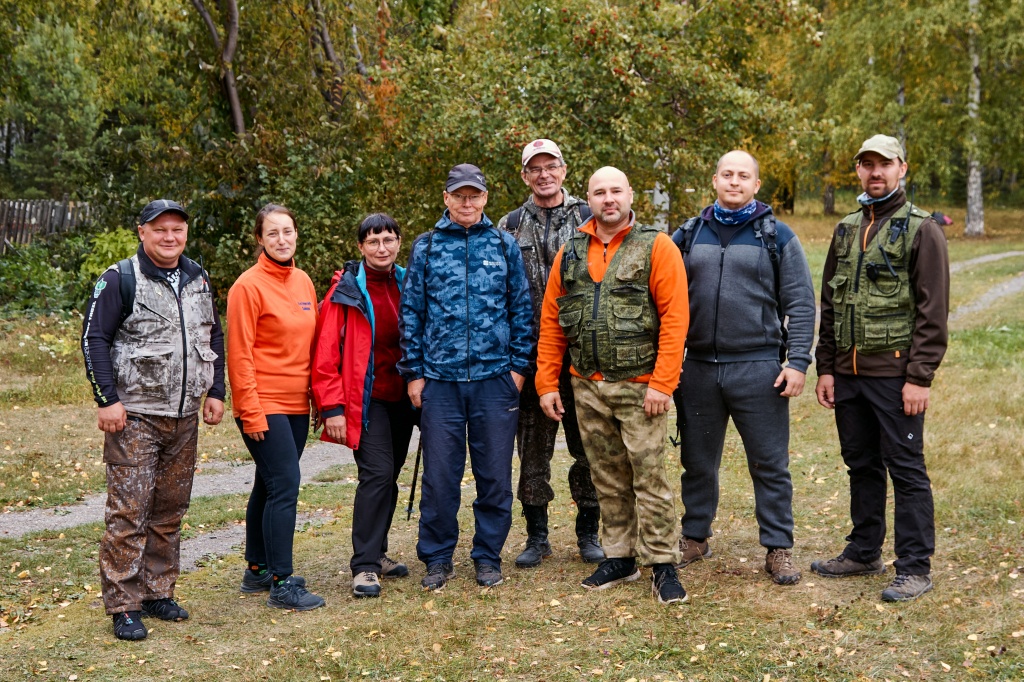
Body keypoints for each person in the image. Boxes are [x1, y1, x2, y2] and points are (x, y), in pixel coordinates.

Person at [536, 166, 690, 604]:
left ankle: (662, 564)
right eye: (600, 192)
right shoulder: (570, 252)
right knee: (606, 477)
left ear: (630, 195)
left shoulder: (656, 246)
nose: (608, 199)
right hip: (587, 386)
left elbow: (675, 318)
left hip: (641, 388)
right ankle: (620, 556)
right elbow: (552, 322)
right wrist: (546, 383)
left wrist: (663, 383)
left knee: (650, 477)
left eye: (616, 191)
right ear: (588, 199)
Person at [811, 134, 949, 602]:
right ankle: (864, 550)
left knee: (906, 469)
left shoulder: (922, 229)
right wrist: (826, 367)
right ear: (858, 170)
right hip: (848, 376)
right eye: (867, 164)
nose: (875, 172)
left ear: (901, 168)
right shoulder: (846, 229)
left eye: (884, 164)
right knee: (861, 465)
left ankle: (914, 567)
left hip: (895, 376)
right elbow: (830, 303)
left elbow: (933, 312)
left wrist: (919, 377)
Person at [82, 199, 225, 641]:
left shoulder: (198, 277)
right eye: (160, 229)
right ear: (141, 232)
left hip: (184, 417)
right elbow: (94, 338)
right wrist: (107, 399)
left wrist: (216, 390)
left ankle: (157, 592)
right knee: (129, 513)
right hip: (135, 417)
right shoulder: (120, 278)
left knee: (169, 511)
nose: (169, 237)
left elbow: (212, 334)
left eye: (177, 229)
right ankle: (124, 606)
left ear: (186, 233)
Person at [671, 150, 816, 585]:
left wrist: (797, 362)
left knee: (769, 464)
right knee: (697, 462)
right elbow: (663, 297)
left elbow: (801, 303)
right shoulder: (689, 234)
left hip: (758, 368)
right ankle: (695, 537)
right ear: (715, 180)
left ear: (756, 185)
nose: (734, 182)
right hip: (698, 368)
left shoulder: (777, 236)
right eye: (727, 174)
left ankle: (778, 548)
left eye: (743, 176)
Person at [399, 163, 534, 591]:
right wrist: (414, 373)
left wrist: (517, 370)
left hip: (495, 381)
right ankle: (438, 557)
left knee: (494, 477)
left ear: (485, 198)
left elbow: (521, 309)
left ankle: (488, 556)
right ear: (446, 198)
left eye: (474, 195)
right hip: (440, 381)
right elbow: (411, 313)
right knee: (440, 477)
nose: (467, 202)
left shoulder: (504, 244)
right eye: (459, 195)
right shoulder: (426, 247)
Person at [497, 139, 603, 568]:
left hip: (583, 355)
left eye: (550, 166)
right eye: (535, 168)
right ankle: (536, 536)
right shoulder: (510, 225)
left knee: (589, 446)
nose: (544, 174)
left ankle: (588, 533)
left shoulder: (589, 217)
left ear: (563, 170)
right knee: (532, 451)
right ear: (525, 175)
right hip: (531, 356)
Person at [312, 213, 415, 598]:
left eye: (388, 239)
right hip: (366, 401)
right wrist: (332, 408)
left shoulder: (407, 281)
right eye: (373, 241)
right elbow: (325, 354)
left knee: (391, 474)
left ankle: (379, 552)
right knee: (377, 474)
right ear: (360, 246)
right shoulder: (346, 291)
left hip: (404, 397)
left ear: (399, 242)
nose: (381, 248)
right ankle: (365, 567)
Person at [227, 204, 324, 611]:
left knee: (268, 484)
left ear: (296, 234)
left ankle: (257, 569)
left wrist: (317, 397)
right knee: (285, 484)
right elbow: (239, 355)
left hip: (296, 404)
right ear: (259, 239)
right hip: (263, 402)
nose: (282, 240)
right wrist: (250, 410)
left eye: (287, 231)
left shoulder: (302, 281)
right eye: (272, 233)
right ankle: (282, 583)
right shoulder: (247, 287)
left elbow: (311, 347)